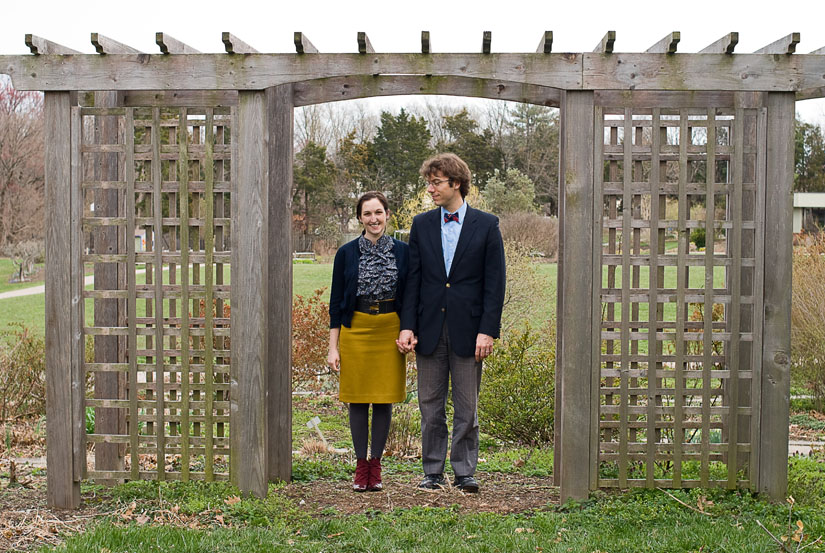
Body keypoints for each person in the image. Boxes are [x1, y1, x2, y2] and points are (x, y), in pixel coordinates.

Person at [397, 153, 506, 493]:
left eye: (436, 182)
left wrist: (487, 330)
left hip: (470, 332)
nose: (430, 189)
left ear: (456, 183)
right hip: (428, 330)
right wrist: (407, 325)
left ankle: (464, 472)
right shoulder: (421, 225)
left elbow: (495, 283)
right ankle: (432, 472)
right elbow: (413, 280)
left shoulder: (487, 225)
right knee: (430, 407)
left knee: (467, 408)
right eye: (429, 182)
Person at [328, 191, 409, 492]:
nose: (373, 219)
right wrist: (333, 347)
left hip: (390, 329)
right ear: (360, 218)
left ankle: (377, 464)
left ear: (387, 214)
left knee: (384, 398)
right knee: (358, 399)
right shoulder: (346, 254)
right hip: (356, 329)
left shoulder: (404, 252)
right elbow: (336, 304)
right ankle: (361, 466)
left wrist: (408, 330)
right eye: (367, 214)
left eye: (378, 212)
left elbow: (412, 297)